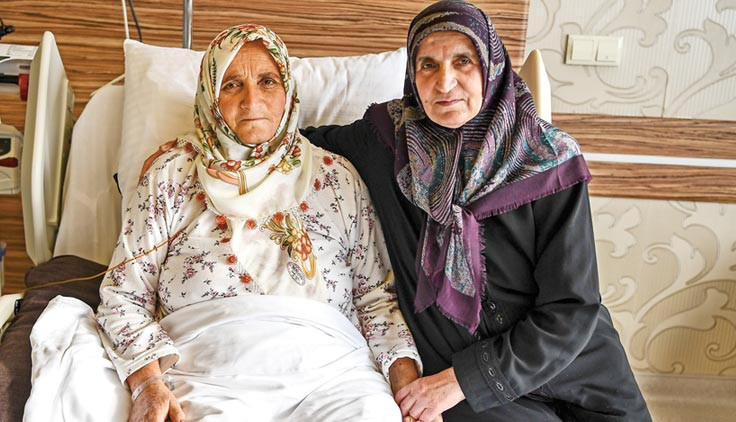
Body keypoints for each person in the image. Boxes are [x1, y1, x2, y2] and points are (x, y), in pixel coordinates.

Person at [300, 1, 653, 421]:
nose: (444, 82)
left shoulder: (548, 160)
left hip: (574, 367)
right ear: (412, 74)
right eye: (428, 65)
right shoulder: (384, 142)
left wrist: (462, 382)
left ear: (491, 65)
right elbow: (284, 142)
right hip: (461, 373)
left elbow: (572, 308)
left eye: (463, 61)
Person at [96, 24, 421, 422]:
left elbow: (376, 300)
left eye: (268, 81)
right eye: (232, 85)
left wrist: (409, 395)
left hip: (334, 377)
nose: (252, 100)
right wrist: (148, 384)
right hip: (212, 373)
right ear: (210, 96)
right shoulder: (172, 174)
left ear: (288, 92)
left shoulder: (337, 176)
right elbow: (124, 295)